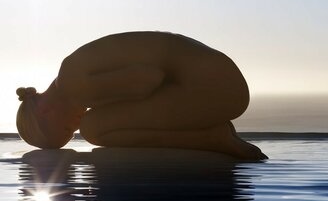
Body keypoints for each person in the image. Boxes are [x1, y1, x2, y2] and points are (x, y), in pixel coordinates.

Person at [16, 31, 267, 160]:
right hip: (221, 82)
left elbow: (148, 80)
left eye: (67, 130)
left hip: (216, 87)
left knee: (94, 129)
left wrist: (109, 112)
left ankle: (211, 138)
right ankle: (209, 130)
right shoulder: (70, 71)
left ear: (45, 112)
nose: (75, 128)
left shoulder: (74, 84)